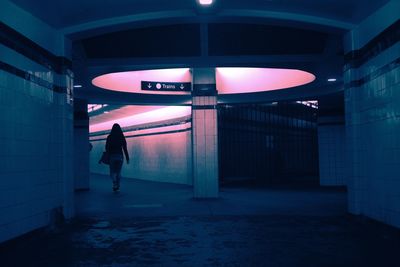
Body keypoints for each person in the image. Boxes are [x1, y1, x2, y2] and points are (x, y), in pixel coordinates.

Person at [105, 123, 129, 192]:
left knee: (112, 172)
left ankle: (115, 183)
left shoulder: (109, 137)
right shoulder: (121, 137)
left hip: (112, 156)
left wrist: (108, 154)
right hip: (120, 156)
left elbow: (107, 148)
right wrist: (127, 158)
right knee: (118, 172)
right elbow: (125, 148)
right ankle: (117, 186)